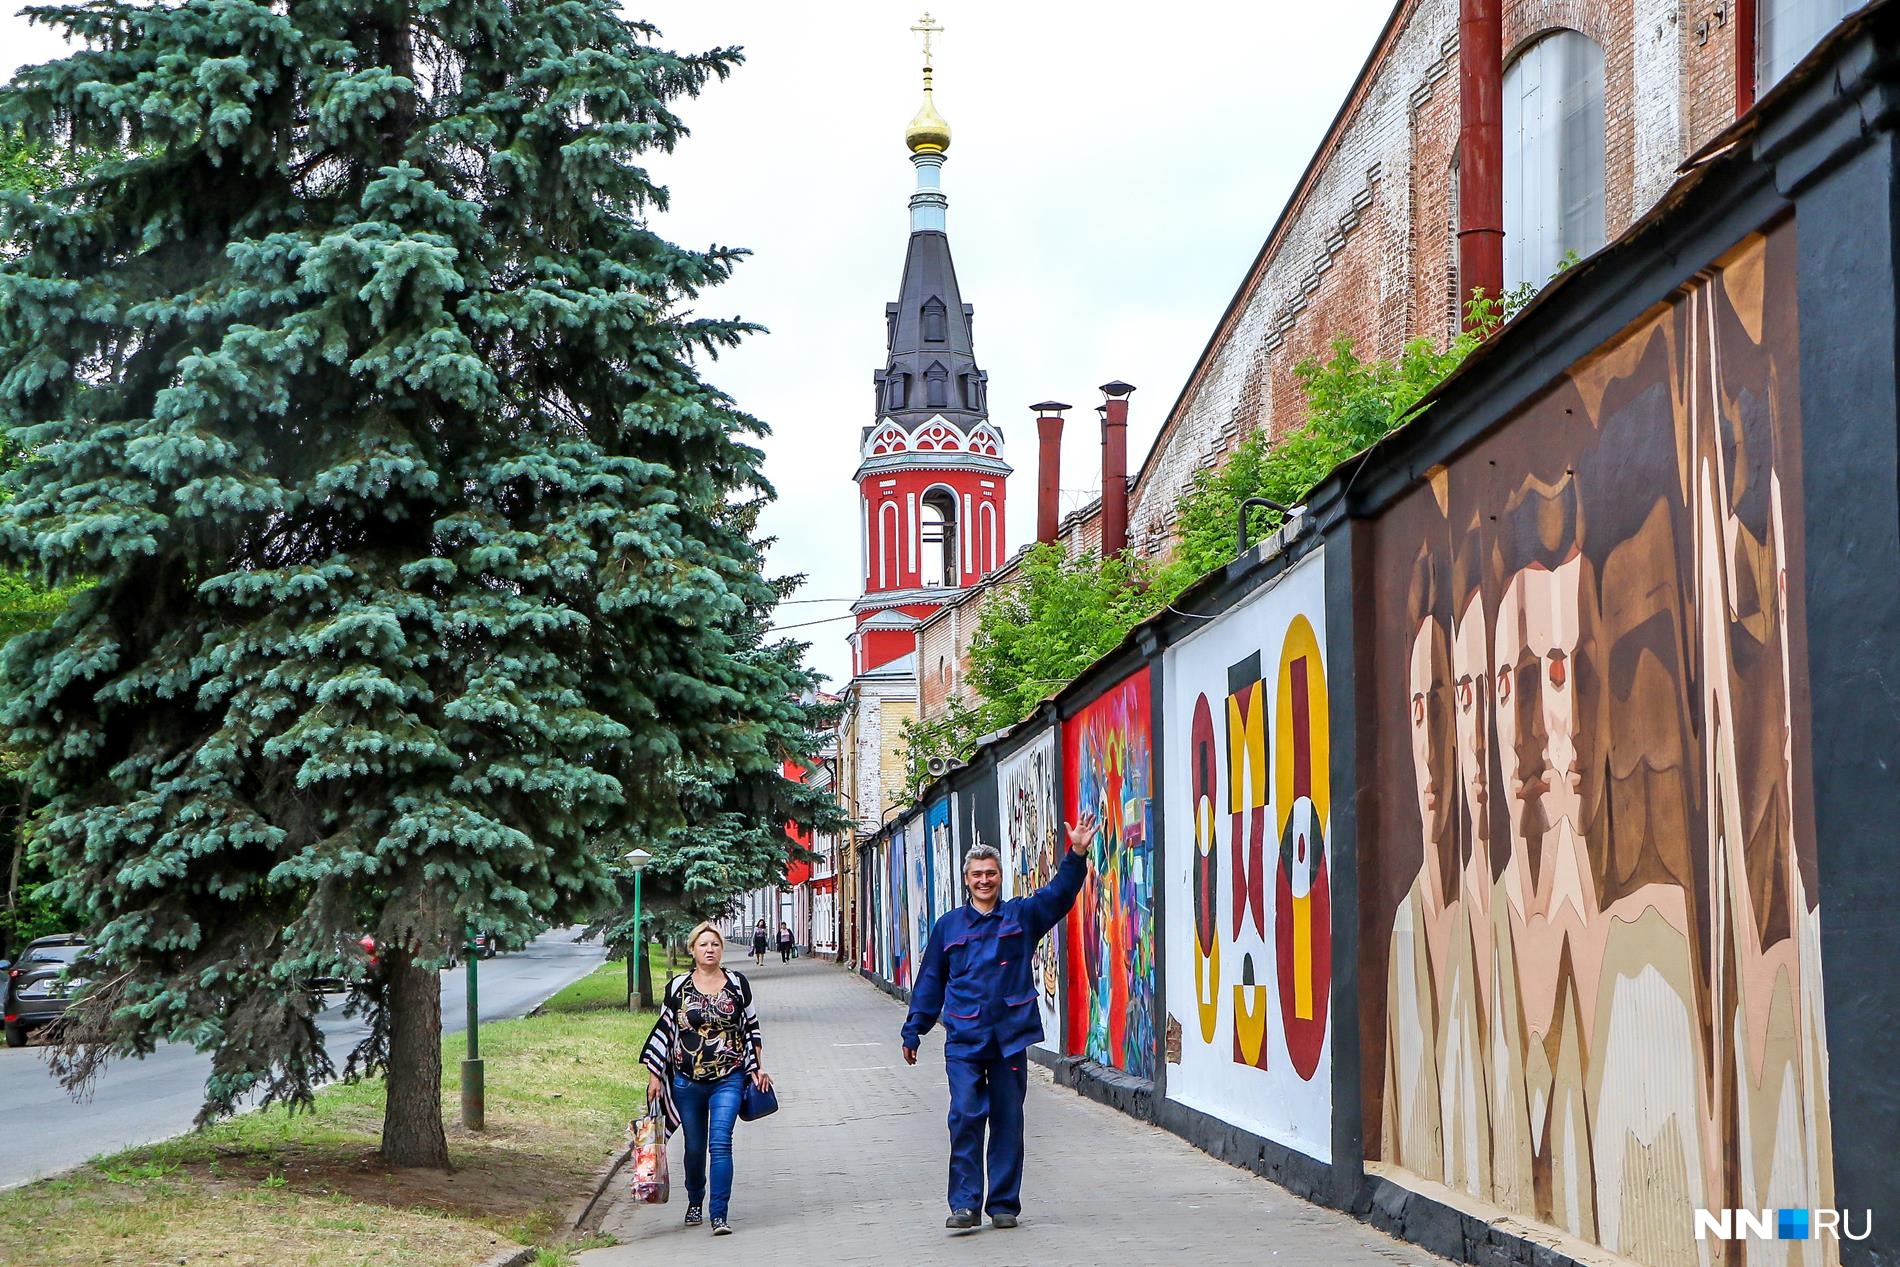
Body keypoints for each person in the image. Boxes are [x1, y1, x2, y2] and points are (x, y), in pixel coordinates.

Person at [901, 812, 1097, 1231]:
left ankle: (1004, 1203)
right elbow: (931, 979)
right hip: (965, 1041)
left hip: (1009, 1038)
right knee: (966, 1115)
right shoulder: (948, 926)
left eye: (991, 873)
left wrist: (1076, 853)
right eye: (977, 874)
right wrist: (914, 1028)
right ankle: (965, 1205)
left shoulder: (1021, 917)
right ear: (966, 879)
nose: (984, 880)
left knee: (1008, 1119)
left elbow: (1059, 895)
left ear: (1000, 877)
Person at [639, 922, 772, 1236]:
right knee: (695, 1148)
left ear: (721, 949)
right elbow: (664, 1032)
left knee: (721, 1144)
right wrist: (655, 1075)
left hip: (730, 1076)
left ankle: (719, 1214)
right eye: (703, 945)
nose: (709, 949)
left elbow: (751, 1029)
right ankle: (695, 1199)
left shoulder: (737, 984)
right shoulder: (678, 987)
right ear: (693, 950)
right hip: (687, 1081)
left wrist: (757, 1067)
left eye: (714, 944)